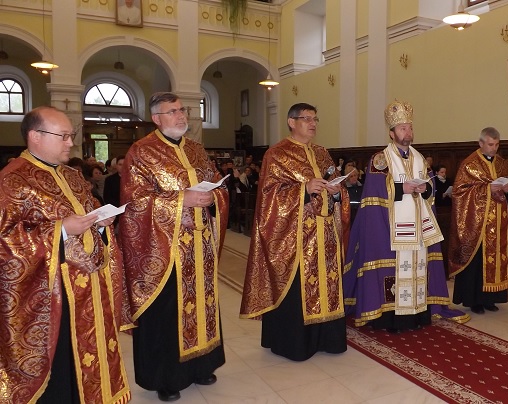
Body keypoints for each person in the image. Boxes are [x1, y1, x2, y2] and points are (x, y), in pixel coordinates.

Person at [0, 106, 130, 403]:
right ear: (35, 136)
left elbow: (85, 218)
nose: (71, 143)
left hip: (90, 290)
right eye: (64, 136)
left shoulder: (73, 175)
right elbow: (5, 241)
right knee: (61, 367)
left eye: (71, 136)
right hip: (51, 296)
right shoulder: (12, 179)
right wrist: (60, 232)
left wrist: (99, 224)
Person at [120, 92, 229, 401]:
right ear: (156, 118)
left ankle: (201, 365)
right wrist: (181, 203)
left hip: (200, 245)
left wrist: (213, 197)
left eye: (183, 110)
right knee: (167, 313)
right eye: (172, 112)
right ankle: (165, 378)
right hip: (165, 251)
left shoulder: (197, 150)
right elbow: (134, 202)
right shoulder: (141, 152)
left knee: (203, 305)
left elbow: (217, 185)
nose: (182, 116)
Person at [343, 100, 468, 332]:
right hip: (391, 228)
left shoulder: (420, 159)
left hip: (418, 230)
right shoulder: (380, 160)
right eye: (402, 128)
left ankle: (417, 315)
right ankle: (390, 318)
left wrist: (425, 189)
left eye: (410, 127)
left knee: (418, 269)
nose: (408, 132)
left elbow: (431, 190)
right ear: (392, 133)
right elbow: (374, 193)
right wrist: (403, 189)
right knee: (392, 271)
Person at [240, 103, 350, 361]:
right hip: (296, 238)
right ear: (291, 122)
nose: (313, 123)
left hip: (325, 235)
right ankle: (295, 343)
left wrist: (337, 191)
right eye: (306, 118)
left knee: (328, 284)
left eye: (315, 118)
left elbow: (335, 185)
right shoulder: (277, 154)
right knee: (297, 287)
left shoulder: (322, 153)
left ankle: (328, 339)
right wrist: (303, 190)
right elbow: (268, 198)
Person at [448, 127, 508, 314]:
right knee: (477, 262)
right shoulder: (470, 164)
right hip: (477, 225)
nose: (494, 148)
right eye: (491, 144)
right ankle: (474, 299)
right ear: (481, 143)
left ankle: (491, 298)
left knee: (497, 261)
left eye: (497, 144)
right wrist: (487, 190)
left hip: (499, 222)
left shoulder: (502, 164)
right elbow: (460, 192)